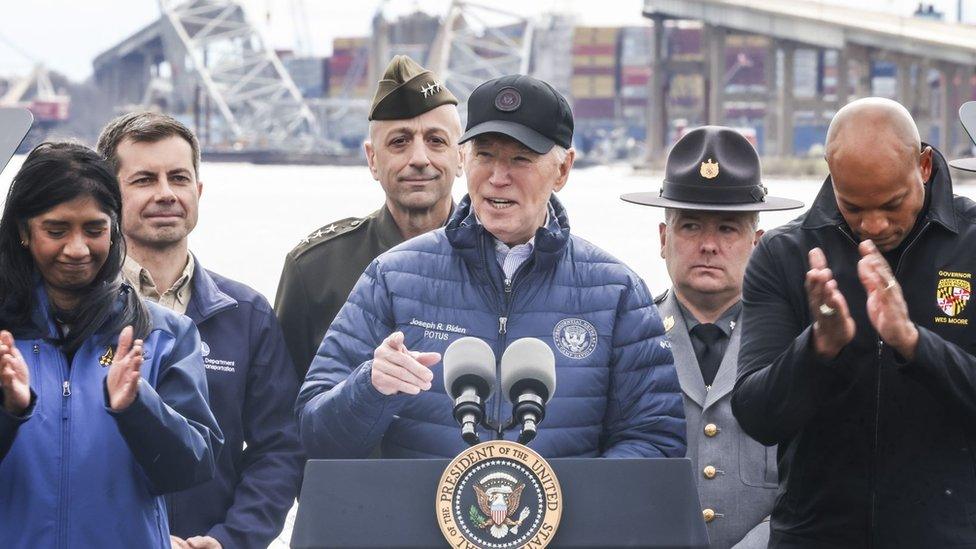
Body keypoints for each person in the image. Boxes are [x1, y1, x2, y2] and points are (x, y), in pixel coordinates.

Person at [297, 74, 686, 460]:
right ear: (464, 158)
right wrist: (369, 387)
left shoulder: (616, 292)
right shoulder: (391, 277)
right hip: (416, 522)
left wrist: (564, 506)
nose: (498, 178)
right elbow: (314, 435)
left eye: (521, 158)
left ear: (563, 169)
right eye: (485, 155)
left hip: (569, 522)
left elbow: (655, 440)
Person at [732, 97, 976, 546]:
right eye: (853, 206)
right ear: (830, 172)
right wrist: (818, 348)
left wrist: (913, 344)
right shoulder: (784, 255)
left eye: (891, 203)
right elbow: (757, 416)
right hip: (814, 536)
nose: (874, 224)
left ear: (923, 166)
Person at [95, 112, 305, 549]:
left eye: (178, 177)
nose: (166, 193)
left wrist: (231, 540)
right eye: (144, 180)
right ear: (109, 196)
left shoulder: (246, 314)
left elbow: (279, 450)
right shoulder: (78, 311)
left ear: (199, 190)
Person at [0, 142, 222, 548]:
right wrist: (8, 412)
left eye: (94, 229)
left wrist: (138, 407)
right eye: (56, 230)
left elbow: (191, 470)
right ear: (22, 232)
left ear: (115, 228)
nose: (77, 249)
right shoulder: (4, 343)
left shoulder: (164, 335)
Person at [621, 126, 802, 548]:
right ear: (664, 240)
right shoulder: (626, 338)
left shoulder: (794, 348)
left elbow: (815, 483)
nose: (708, 245)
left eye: (727, 229)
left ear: (758, 244)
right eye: (690, 227)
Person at [275, 55, 461, 378]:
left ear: (461, 156)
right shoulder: (315, 272)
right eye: (399, 142)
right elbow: (280, 412)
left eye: (436, 141)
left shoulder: (502, 261)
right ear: (372, 159)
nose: (419, 158)